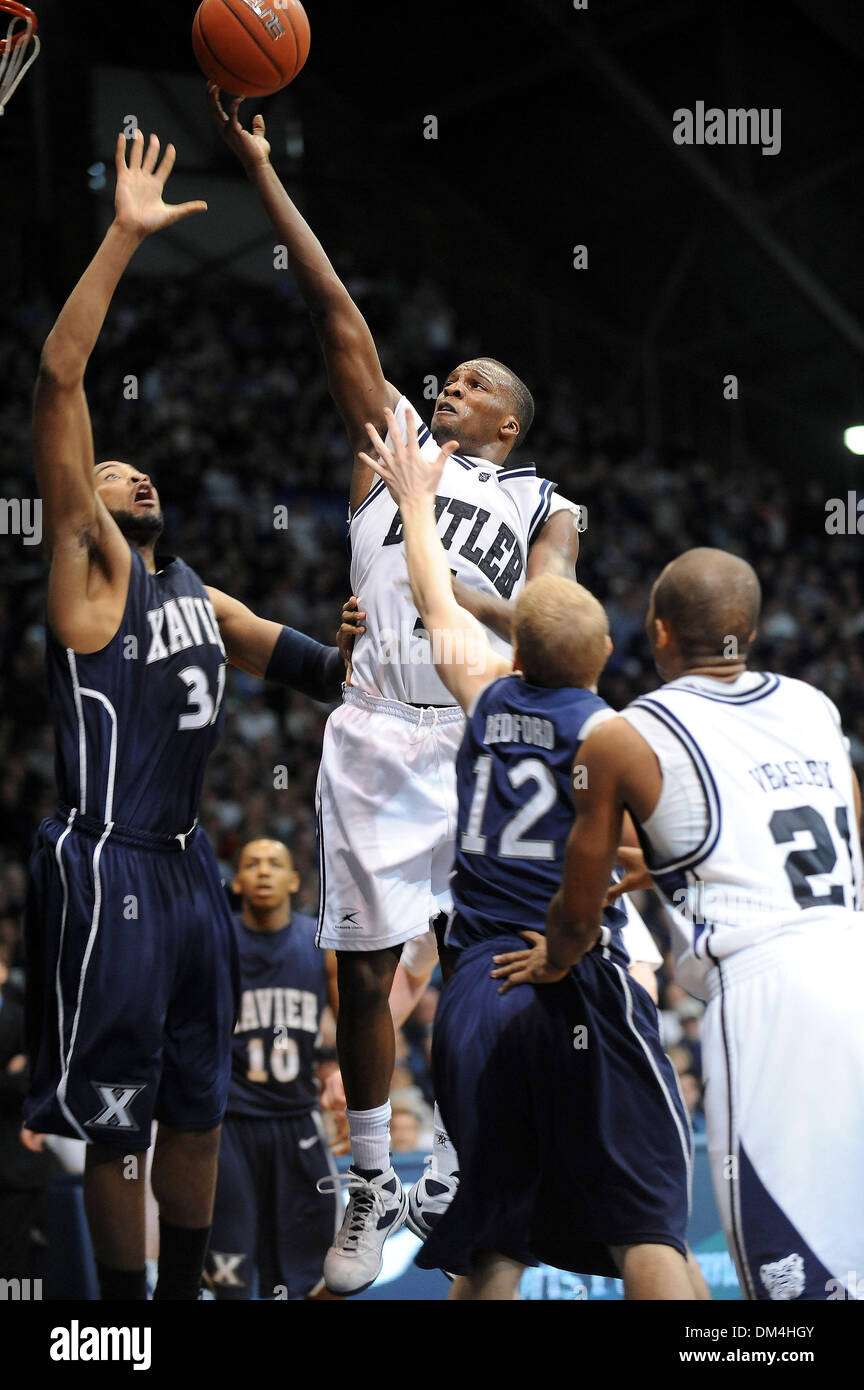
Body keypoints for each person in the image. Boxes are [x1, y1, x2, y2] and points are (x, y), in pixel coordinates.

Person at [209, 87, 585, 1296]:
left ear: (509, 420)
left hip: (481, 734)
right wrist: (265, 170)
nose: (446, 386)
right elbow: (337, 317)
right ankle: (369, 1176)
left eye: (469, 383)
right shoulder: (391, 453)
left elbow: (557, 621)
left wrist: (443, 599)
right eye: (445, 376)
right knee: (361, 974)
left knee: (489, 972)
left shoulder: (545, 503)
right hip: (375, 731)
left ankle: (476, 1160)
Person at [24, 129, 347, 1301]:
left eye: (138, 475)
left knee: (198, 1110)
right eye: (115, 475)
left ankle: (185, 1302)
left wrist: (375, 649)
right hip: (104, 857)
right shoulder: (90, 567)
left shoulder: (200, 594)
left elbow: (309, 665)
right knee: (119, 1119)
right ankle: (121, 1319)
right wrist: (123, 232)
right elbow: (62, 383)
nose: (133, 478)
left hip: (188, 867)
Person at [358, 411, 699, 1301]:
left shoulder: (483, 687)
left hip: (475, 988)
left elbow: (435, 597)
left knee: (492, 1244)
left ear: (517, 650)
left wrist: (418, 505)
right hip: (569, 970)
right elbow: (664, 858)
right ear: (609, 653)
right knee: (649, 1227)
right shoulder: (616, 733)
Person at [501, 547, 864, 1301]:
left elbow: (576, 908)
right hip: (851, 959)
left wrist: (555, 961)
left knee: (788, 1278)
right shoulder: (815, 707)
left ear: (658, 631)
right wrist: (680, 865)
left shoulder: (624, 735)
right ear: (753, 632)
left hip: (770, 997)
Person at [207, 839, 343, 1301]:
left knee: (325, 1274)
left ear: (293, 879)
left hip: (298, 1120)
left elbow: (356, 1028)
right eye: (252, 864)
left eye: (275, 863)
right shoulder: (215, 939)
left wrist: (345, 1083)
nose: (264, 871)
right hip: (229, 1124)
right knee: (228, 1275)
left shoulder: (320, 942)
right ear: (238, 880)